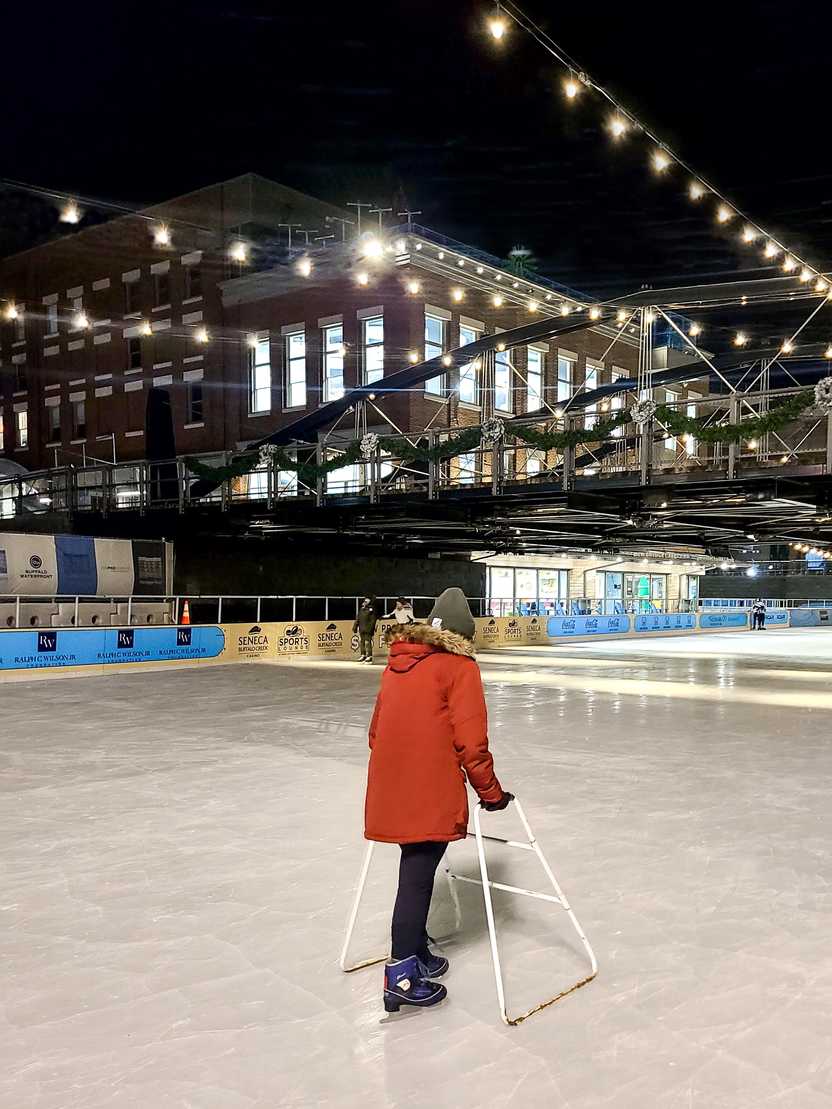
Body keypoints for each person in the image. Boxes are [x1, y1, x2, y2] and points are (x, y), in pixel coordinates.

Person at [363, 587, 512, 1013]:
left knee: (417, 869)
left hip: (392, 784)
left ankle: (418, 952)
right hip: (429, 787)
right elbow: (470, 742)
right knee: (416, 875)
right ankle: (402, 975)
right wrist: (492, 794)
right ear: (465, 635)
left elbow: (375, 733)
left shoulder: (398, 664)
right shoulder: (459, 667)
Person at [353, 596, 379, 663]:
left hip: (368, 628)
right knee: (362, 642)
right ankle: (363, 655)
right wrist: (355, 626)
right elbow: (358, 618)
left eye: (366, 601)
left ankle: (369, 656)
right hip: (361, 628)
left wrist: (371, 628)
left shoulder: (371, 609)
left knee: (368, 642)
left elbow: (373, 620)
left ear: (369, 602)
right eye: (364, 601)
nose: (365, 602)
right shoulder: (361, 609)